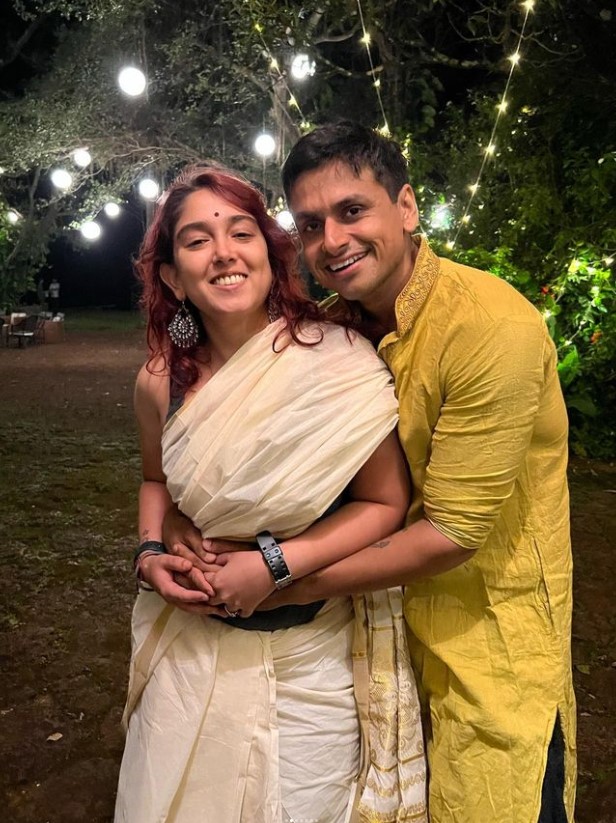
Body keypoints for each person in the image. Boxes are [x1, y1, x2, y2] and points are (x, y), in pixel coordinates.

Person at [166, 122, 576, 823]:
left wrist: (277, 580)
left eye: (352, 210)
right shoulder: (333, 334)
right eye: (311, 224)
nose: (332, 239)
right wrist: (181, 528)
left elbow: (451, 533)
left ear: (406, 207)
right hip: (371, 643)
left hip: (489, 644)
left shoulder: (489, 328)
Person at [114, 164, 427, 823]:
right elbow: (155, 481)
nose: (224, 253)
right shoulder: (159, 381)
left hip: (308, 665)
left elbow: (385, 504)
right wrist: (150, 550)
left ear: (268, 249)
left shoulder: (339, 360)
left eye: (241, 232)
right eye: (197, 241)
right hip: (188, 651)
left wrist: (275, 565)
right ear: (172, 276)